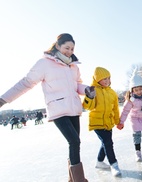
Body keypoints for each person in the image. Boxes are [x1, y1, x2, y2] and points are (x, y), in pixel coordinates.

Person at [0, 33, 89, 181]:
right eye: (66, 47)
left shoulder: (73, 66)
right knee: (74, 141)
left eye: (72, 49)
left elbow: (77, 85)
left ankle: (71, 179)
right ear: (57, 46)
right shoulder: (44, 63)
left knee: (74, 144)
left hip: (74, 109)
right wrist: (3, 99)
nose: (69, 51)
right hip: (58, 109)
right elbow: (27, 82)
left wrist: (87, 90)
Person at [82, 67, 121, 177]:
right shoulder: (93, 90)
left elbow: (115, 109)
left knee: (106, 143)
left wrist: (117, 121)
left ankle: (99, 162)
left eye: (108, 78)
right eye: (104, 79)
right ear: (97, 79)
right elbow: (87, 106)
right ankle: (114, 164)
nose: (107, 81)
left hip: (108, 122)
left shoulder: (112, 93)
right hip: (97, 122)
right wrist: (89, 97)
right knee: (108, 143)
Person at [117, 71, 142, 162]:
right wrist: (121, 122)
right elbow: (125, 111)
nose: (139, 92)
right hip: (134, 119)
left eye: (140, 89)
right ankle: (138, 151)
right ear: (132, 90)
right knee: (137, 135)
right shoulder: (130, 100)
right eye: (136, 90)